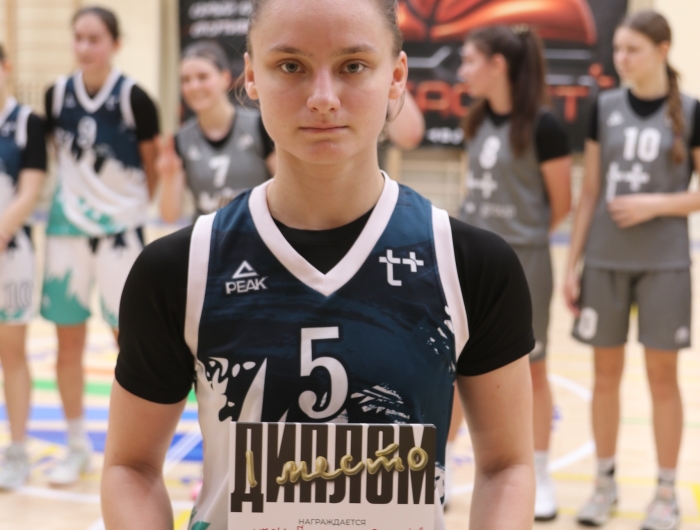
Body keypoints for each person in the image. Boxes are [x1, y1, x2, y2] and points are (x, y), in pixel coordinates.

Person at [102, 1, 536, 529]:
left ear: (396, 76)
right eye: (291, 66)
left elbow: (506, 465)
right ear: (251, 76)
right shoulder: (180, 268)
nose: (323, 98)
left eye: (353, 66)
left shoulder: (469, 265)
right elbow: (130, 466)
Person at [564, 10, 700, 529]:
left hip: (665, 263)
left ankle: (665, 492)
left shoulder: (691, 110)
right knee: (605, 376)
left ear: (662, 50)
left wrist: (654, 204)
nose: (621, 59)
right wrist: (573, 263)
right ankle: (604, 485)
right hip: (605, 261)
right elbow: (590, 191)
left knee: (663, 379)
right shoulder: (604, 107)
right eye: (617, 49)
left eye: (632, 50)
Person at [457, 25, 572, 520]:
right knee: (452, 367)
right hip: (468, 263)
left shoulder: (543, 126)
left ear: (497, 65)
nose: (462, 71)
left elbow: (561, 204)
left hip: (524, 261)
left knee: (533, 367)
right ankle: (435, 469)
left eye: (469, 60)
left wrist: (517, 240)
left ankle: (539, 473)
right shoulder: (476, 119)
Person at [41, 6, 160, 485]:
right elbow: (59, 157)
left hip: (119, 238)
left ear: (115, 43)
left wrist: (126, 210)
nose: (85, 47)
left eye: (95, 38)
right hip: (66, 234)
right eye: (79, 38)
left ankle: (129, 450)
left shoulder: (134, 97)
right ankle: (76, 446)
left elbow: (151, 165)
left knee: (126, 346)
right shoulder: (56, 94)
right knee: (66, 346)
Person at [157, 41, 275, 224]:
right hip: (209, 237)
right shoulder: (181, 139)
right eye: (185, 80)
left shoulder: (259, 125)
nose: (193, 86)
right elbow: (169, 216)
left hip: (257, 233)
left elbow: (287, 193)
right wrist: (168, 177)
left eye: (202, 77)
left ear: (225, 78)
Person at [0, 44, 47, 489]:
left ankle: (16, 451)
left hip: (11, 256)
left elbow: (30, 191)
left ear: (6, 67)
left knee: (11, 353)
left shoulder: (26, 122)